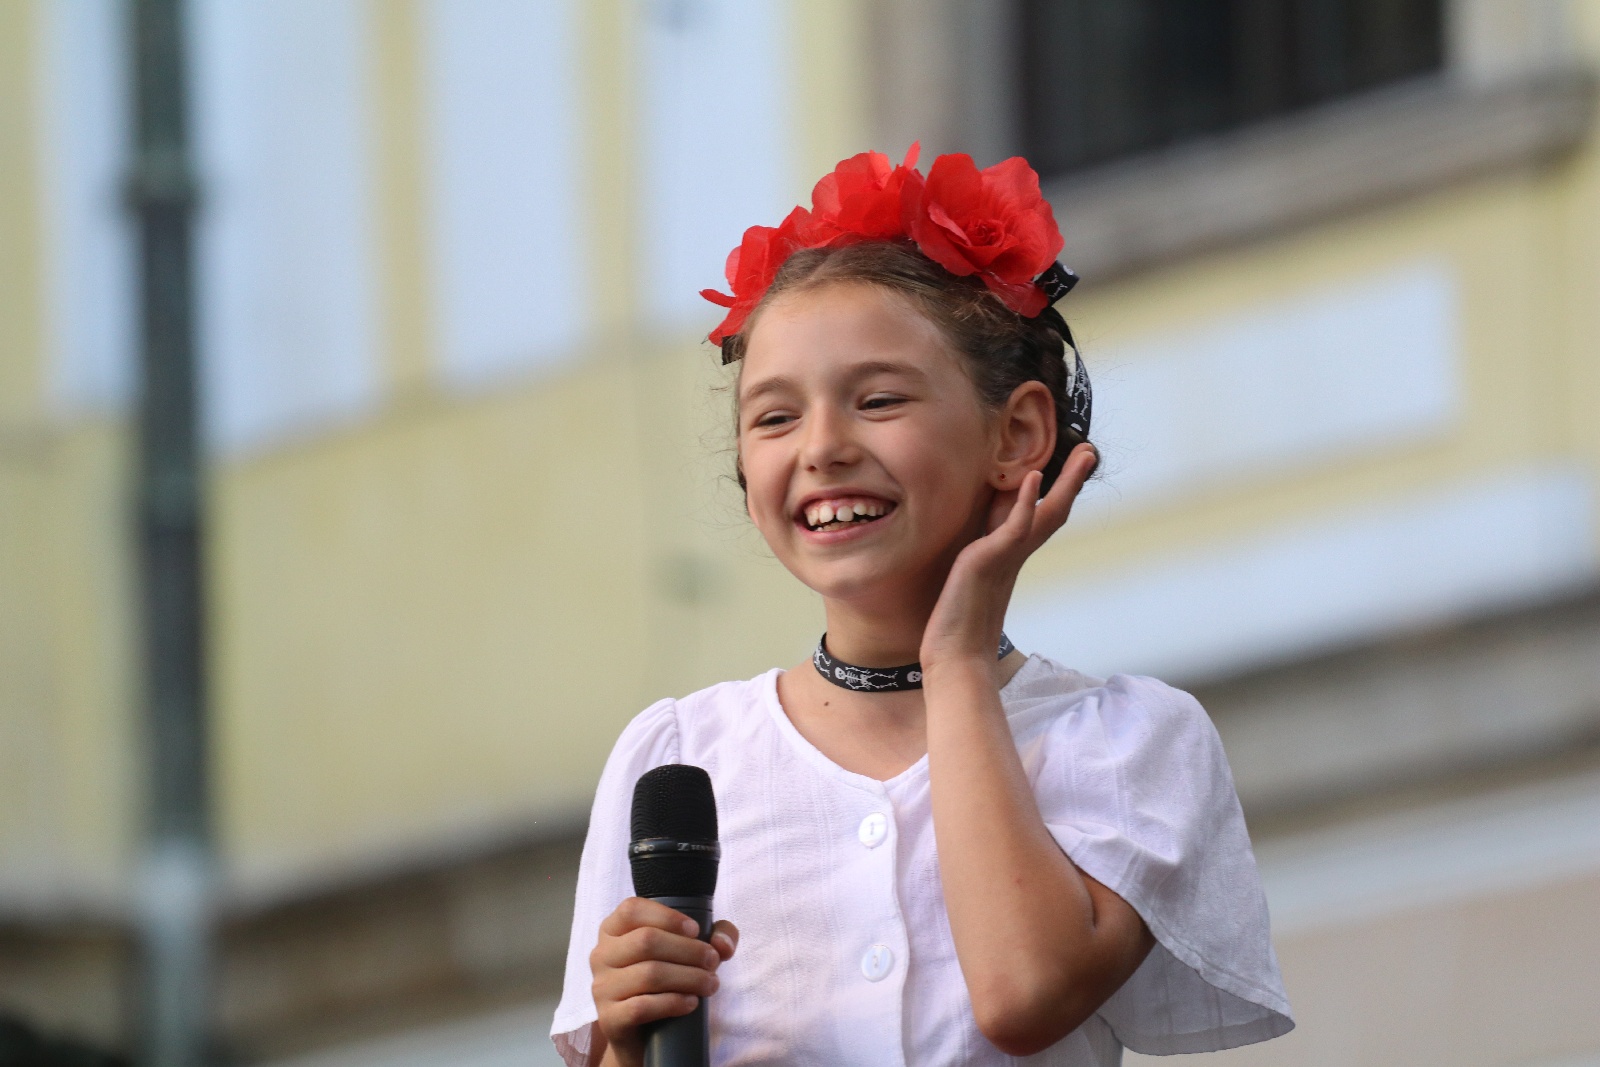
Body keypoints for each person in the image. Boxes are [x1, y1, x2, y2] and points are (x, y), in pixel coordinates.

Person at [551, 146, 1293, 1066]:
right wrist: (627, 1039)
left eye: (878, 398)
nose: (821, 447)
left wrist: (957, 660)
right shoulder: (678, 757)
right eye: (775, 417)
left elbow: (1024, 994)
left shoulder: (1128, 744)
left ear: (1018, 433)